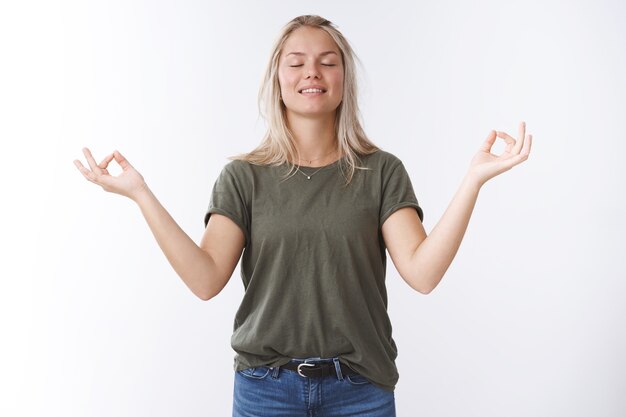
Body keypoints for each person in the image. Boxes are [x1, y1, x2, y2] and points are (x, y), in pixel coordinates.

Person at [74, 14, 532, 417]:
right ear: (277, 78)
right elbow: (206, 278)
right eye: (296, 62)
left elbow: (423, 272)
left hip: (360, 391)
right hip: (264, 391)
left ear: (344, 78)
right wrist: (140, 194)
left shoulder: (381, 172)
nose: (311, 72)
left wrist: (473, 180)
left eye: (327, 62)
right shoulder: (244, 177)